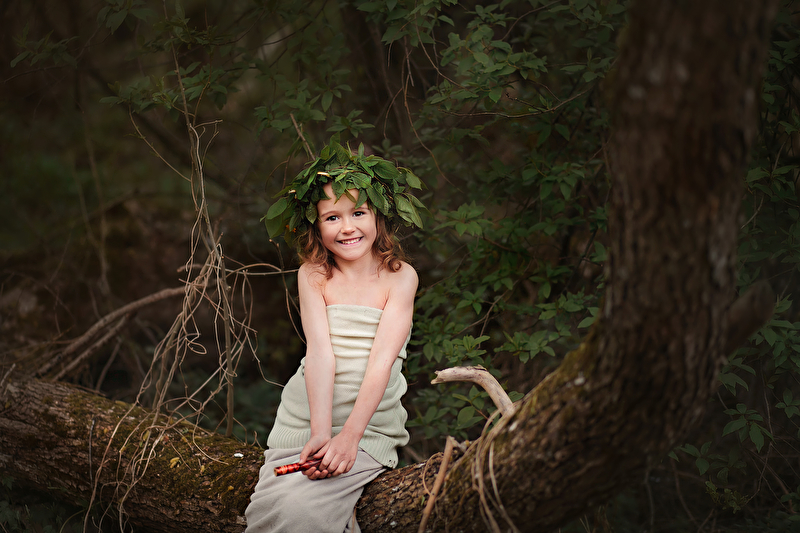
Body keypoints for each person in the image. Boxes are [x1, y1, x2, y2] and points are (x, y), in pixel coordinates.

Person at [245, 139, 425, 532]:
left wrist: (348, 438)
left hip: (367, 425)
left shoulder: (400, 277)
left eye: (358, 212)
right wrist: (321, 433)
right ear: (316, 226)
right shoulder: (313, 274)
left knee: (303, 510)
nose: (347, 228)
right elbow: (320, 354)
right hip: (308, 418)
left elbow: (381, 363)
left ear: (378, 216)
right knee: (278, 504)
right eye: (331, 217)